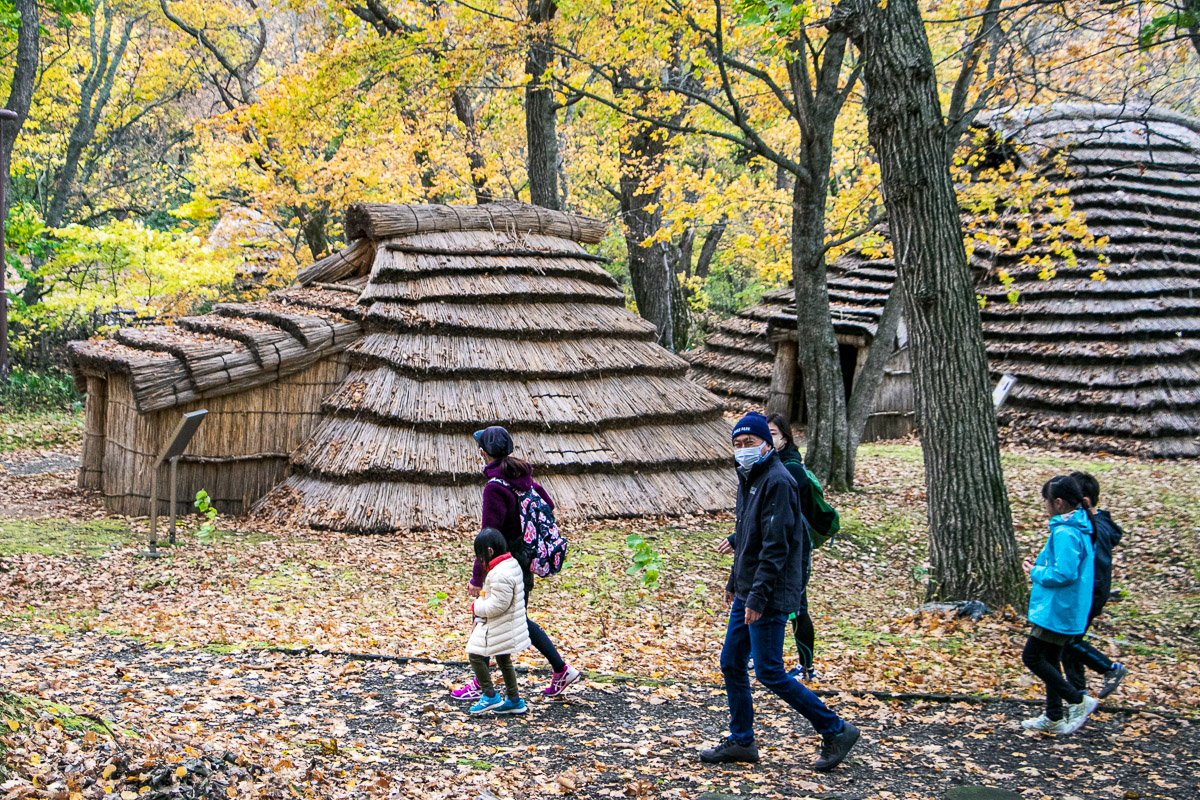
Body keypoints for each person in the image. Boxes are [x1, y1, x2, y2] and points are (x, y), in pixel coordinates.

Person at [700, 411, 860, 771]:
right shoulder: (750, 477)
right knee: (731, 662)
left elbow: (776, 547)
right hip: (748, 590)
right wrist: (733, 583)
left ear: (767, 445)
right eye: (737, 444)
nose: (743, 449)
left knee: (770, 670)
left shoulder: (779, 481)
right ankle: (742, 740)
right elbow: (747, 538)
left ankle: (835, 729)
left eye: (750, 443)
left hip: (769, 593)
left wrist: (755, 598)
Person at [451, 426, 581, 701]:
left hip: (501, 564)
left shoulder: (495, 487)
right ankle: (560, 670)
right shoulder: (523, 477)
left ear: (483, 453)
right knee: (513, 618)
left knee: (486, 617)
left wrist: (477, 578)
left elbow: (488, 536)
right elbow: (548, 505)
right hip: (525, 560)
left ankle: (483, 684)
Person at [1021, 475, 1100, 735]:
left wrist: (1035, 573)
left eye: (1045, 501)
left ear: (1057, 502)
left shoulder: (1066, 531)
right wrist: (1041, 565)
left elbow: (1064, 574)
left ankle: (1077, 700)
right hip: (1065, 608)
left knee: (1032, 657)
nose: (1044, 506)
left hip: (1057, 609)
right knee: (1050, 659)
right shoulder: (1079, 527)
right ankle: (1054, 717)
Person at [1063, 471, 1128, 699]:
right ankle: (1077, 691)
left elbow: (1096, 570)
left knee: (1066, 641)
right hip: (1087, 594)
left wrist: (1085, 597)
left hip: (1088, 595)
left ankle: (1109, 669)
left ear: (1084, 502)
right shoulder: (1092, 526)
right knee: (1070, 642)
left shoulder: (1095, 530)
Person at [466, 528, 529, 715]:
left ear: (490, 551)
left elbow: (497, 606)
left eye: (481, 555)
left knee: (475, 654)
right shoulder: (511, 564)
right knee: (503, 659)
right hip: (507, 624)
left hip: (498, 624)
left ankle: (489, 694)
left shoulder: (499, 573)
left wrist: (476, 606)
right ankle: (514, 699)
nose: (481, 560)